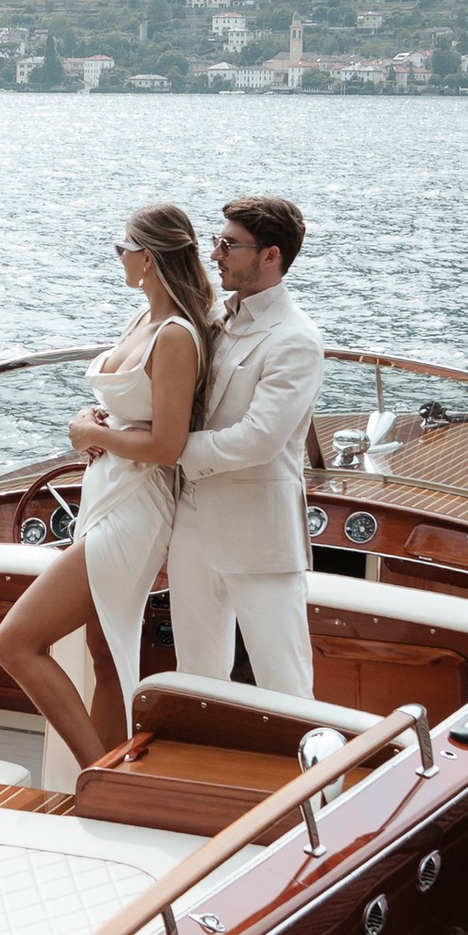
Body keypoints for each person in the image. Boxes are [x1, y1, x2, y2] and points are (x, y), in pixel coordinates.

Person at [0, 206, 217, 775]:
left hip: (136, 504)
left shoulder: (174, 335)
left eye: (122, 248)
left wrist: (94, 434)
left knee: (15, 643)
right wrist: (99, 418)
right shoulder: (144, 318)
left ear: (148, 256)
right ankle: (116, 776)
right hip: (107, 493)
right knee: (104, 652)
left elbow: (168, 445)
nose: (117, 257)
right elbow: (133, 407)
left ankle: (98, 777)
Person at [167, 194, 324, 700]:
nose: (216, 255)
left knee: (286, 683)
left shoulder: (295, 339)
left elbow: (259, 439)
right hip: (191, 526)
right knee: (196, 676)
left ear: (271, 255)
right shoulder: (214, 319)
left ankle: (314, 781)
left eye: (229, 245)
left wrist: (165, 448)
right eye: (218, 242)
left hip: (259, 536)